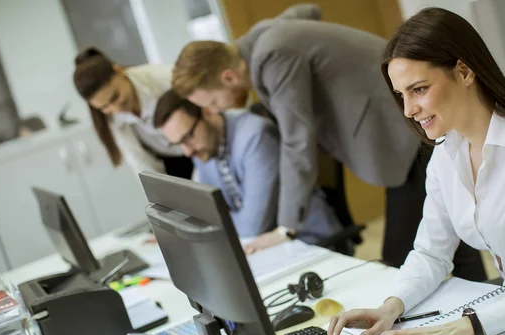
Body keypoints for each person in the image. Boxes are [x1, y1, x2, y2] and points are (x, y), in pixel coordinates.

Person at [328, 7, 505, 335]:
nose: (408, 110)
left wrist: (466, 327)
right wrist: (391, 306)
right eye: (401, 95)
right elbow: (432, 252)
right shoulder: (447, 153)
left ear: (464, 71)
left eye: (418, 90)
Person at [171, 4, 486, 280]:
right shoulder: (261, 38)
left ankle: (476, 307)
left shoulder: (272, 54)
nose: (215, 111)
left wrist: (285, 229)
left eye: (212, 101)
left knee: (398, 258)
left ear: (227, 77)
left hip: (398, 123)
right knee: (445, 229)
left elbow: (297, 142)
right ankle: (480, 300)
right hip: (393, 121)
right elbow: (308, 10)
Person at [152, 89, 343, 243]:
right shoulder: (202, 147)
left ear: (207, 111)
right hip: (262, 247)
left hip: (307, 240)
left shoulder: (255, 136)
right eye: (179, 143)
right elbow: (208, 211)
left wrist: (219, 219)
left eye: (188, 136)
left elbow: (253, 225)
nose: (187, 152)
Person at [73, 47, 193, 179]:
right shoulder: (110, 117)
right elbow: (138, 159)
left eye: (115, 97)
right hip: (172, 162)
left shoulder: (164, 77)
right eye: (104, 107)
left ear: (119, 71)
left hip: (201, 146)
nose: (116, 108)